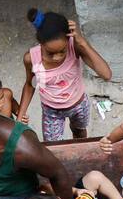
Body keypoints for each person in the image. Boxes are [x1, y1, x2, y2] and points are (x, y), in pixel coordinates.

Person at [17, 8, 112, 142]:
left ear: (68, 41)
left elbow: (106, 74)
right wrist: (20, 116)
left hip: (79, 104)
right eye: (50, 53)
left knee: (79, 134)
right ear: (41, 43)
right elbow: (29, 85)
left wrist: (82, 42)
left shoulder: (75, 47)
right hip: (51, 112)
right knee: (53, 145)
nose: (57, 57)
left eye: (62, 51)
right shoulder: (31, 58)